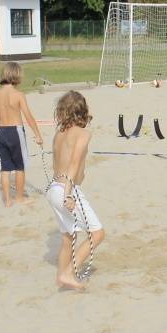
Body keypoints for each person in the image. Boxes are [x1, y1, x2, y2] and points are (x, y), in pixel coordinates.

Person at [46, 91, 105, 290]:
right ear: (83, 111)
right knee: (97, 233)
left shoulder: (58, 135)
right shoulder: (84, 134)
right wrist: (69, 193)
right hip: (67, 189)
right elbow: (74, 162)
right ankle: (69, 272)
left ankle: (62, 278)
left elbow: (57, 165)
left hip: (54, 188)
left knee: (67, 236)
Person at [0, 61, 43, 207]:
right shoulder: (18, 95)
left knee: (6, 168)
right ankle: (19, 198)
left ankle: (7, 200)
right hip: (15, 131)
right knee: (20, 166)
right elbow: (28, 116)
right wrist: (38, 135)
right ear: (18, 76)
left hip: (2, 131)